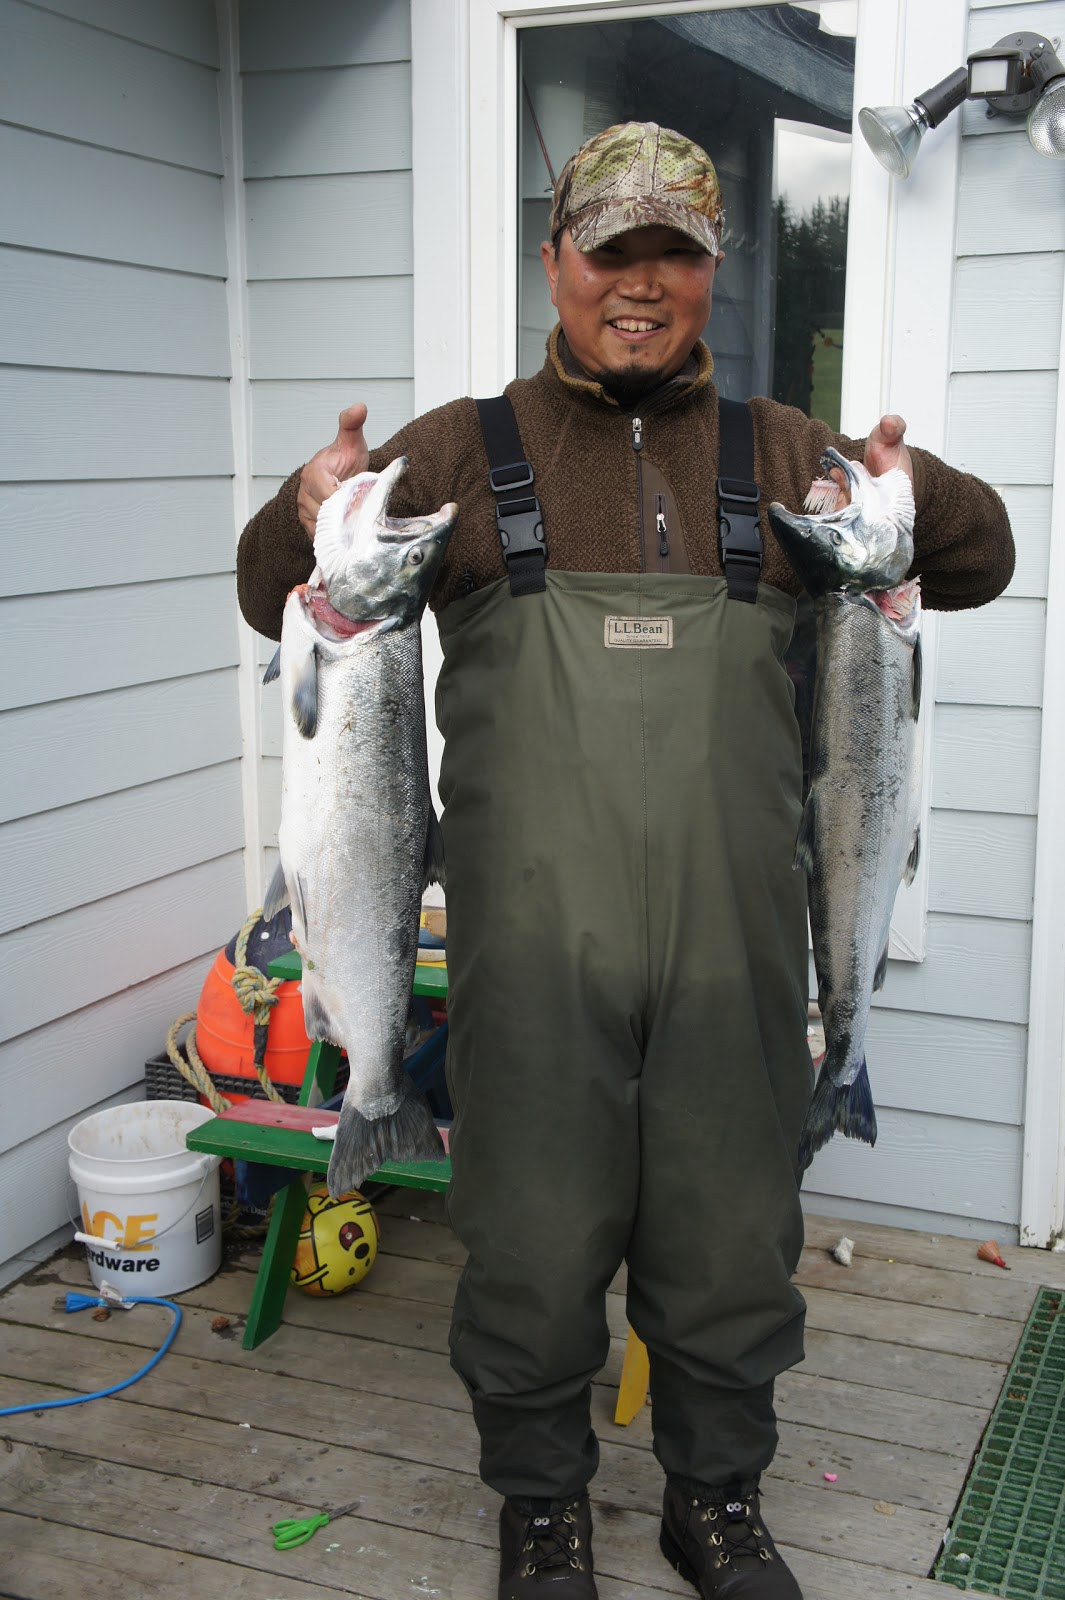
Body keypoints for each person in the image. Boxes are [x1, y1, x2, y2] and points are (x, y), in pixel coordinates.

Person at [237, 122, 1014, 1600]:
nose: (639, 282)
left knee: (730, 1254)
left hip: (733, 965)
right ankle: (541, 1510)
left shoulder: (786, 456)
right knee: (525, 1261)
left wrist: (908, 488)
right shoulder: (460, 454)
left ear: (713, 270)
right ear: (556, 264)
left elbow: (972, 561)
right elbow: (274, 595)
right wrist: (303, 504)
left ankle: (710, 1503)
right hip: (531, 972)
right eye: (611, 250)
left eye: (673, 251)